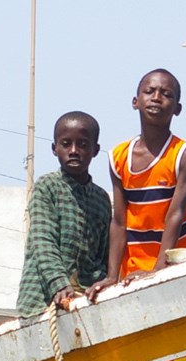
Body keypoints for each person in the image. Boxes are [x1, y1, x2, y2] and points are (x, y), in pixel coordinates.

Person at [105, 69, 186, 283]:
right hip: (132, 272)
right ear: (135, 101)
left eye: (166, 94)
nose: (156, 98)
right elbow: (119, 222)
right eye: (149, 91)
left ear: (177, 109)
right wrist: (112, 277)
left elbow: (175, 214)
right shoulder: (118, 157)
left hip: (177, 267)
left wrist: (158, 270)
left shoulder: (184, 154)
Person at [15, 111, 113, 317]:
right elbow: (43, 242)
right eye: (66, 144)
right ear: (54, 148)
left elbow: (103, 255)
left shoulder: (102, 199)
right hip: (41, 303)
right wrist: (59, 285)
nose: (74, 151)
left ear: (95, 150)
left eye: (83, 145)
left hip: (87, 301)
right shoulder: (47, 187)